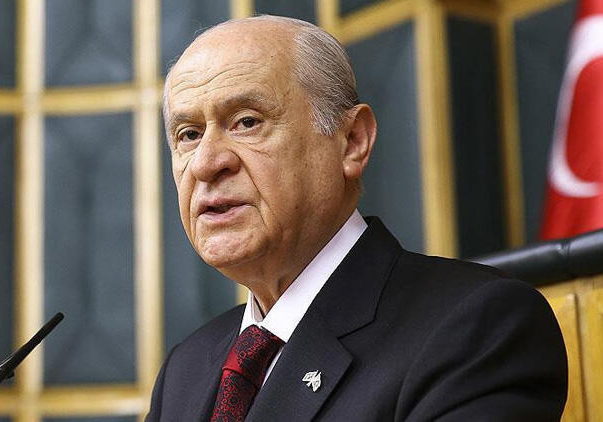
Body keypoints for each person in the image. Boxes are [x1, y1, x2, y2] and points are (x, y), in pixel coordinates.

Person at [147, 15, 567, 422]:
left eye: (246, 122)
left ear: (352, 141)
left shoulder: (476, 328)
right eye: (189, 135)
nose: (206, 163)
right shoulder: (185, 371)